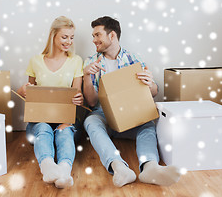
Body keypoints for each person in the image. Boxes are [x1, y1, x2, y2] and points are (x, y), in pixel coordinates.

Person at [83, 16, 181, 187]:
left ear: (112, 35)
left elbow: (154, 92)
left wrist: (150, 84)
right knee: (90, 121)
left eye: (97, 35)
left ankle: (150, 167)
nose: (94, 40)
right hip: (104, 115)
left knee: (148, 124)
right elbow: (91, 102)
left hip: (129, 114)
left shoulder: (134, 60)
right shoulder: (91, 62)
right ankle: (119, 167)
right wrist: (86, 77)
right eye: (93, 36)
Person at [18, 16, 83, 189]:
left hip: (65, 120)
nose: (69, 41)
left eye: (71, 37)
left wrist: (79, 99)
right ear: (53, 35)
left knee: (65, 132)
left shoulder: (76, 61)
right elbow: (27, 94)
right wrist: (23, 90)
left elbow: (78, 95)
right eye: (64, 37)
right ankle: (47, 168)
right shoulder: (36, 60)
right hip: (39, 122)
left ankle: (64, 172)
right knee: (43, 128)